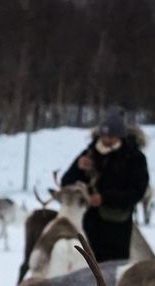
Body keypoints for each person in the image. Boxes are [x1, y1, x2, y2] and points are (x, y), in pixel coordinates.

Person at [60, 108, 149, 263]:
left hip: (117, 227)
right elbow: (66, 183)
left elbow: (137, 191)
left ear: (119, 136)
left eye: (111, 136)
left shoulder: (134, 158)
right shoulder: (89, 153)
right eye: (104, 135)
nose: (106, 139)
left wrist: (105, 198)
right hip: (88, 224)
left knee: (112, 269)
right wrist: (78, 170)